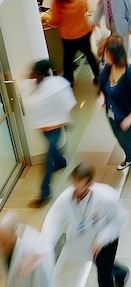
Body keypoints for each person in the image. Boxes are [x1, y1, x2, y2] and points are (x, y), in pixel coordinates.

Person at [39, 163, 128, 287]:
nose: (75, 191)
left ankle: (116, 273)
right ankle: (120, 272)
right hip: (87, 240)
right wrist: (45, 247)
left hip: (105, 242)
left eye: (79, 187)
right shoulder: (65, 199)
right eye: (74, 185)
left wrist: (102, 239)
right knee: (102, 264)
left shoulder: (106, 197)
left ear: (90, 185)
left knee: (103, 275)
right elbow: (53, 222)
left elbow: (119, 219)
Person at [25, 60, 76, 208]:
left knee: (47, 159)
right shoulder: (34, 87)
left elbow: (66, 103)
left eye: (34, 74)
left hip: (54, 129)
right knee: (53, 154)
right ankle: (61, 162)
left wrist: (65, 121)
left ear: (41, 74)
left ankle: (44, 193)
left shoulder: (55, 85)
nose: (32, 77)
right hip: (44, 129)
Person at [97, 34, 131, 174]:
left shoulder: (129, 75)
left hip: (128, 115)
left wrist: (130, 117)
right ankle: (130, 157)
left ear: (115, 55)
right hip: (112, 113)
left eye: (107, 54)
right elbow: (102, 87)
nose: (104, 57)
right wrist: (102, 96)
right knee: (120, 140)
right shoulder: (107, 69)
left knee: (125, 140)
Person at [47, 0, 101, 86]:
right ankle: (98, 75)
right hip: (84, 32)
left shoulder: (56, 3)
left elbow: (55, 20)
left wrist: (48, 20)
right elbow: (86, 10)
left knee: (68, 59)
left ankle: (69, 80)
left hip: (68, 37)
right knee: (89, 54)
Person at [0, 212, 55, 286]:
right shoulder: (6, 248)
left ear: (13, 237)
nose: (2, 248)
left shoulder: (32, 256)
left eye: (4, 243)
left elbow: (40, 282)